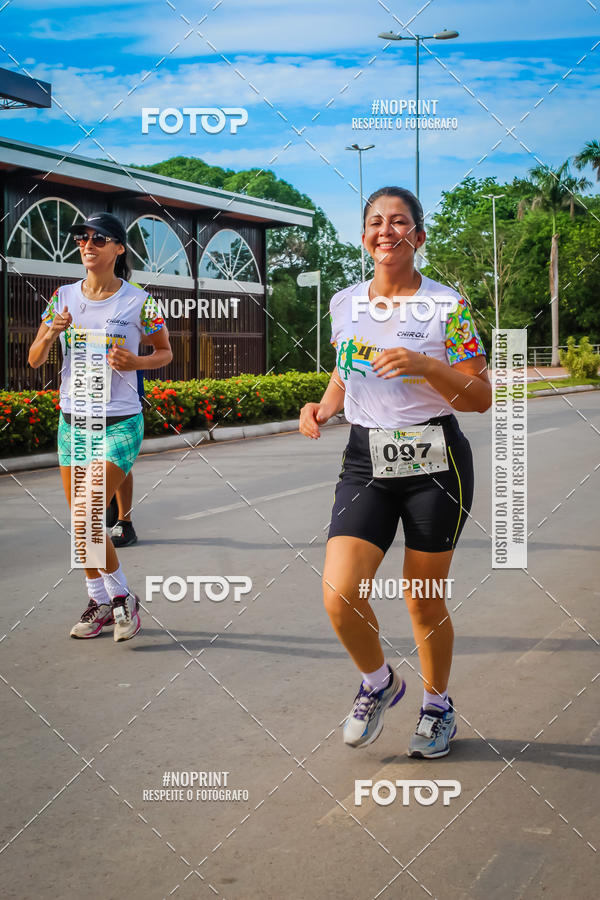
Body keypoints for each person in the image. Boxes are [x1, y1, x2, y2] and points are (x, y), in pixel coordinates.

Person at [299, 186, 491, 758]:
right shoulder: (344, 302)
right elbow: (344, 367)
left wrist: (427, 364)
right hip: (365, 459)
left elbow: (480, 396)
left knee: (422, 597)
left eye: (400, 221)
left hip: (434, 459)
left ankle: (438, 707)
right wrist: (324, 406)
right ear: (364, 237)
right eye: (377, 222)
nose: (387, 230)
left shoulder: (445, 307)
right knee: (339, 594)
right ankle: (380, 682)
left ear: (418, 236)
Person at [28, 212, 172, 641]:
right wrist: (51, 332)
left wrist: (137, 361)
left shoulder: (139, 301)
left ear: (119, 248)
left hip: (120, 420)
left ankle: (123, 598)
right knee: (81, 522)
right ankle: (103, 600)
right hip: (74, 420)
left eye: (99, 238)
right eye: (81, 238)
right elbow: (34, 359)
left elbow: (165, 352)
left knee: (90, 515)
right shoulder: (63, 297)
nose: (88, 245)